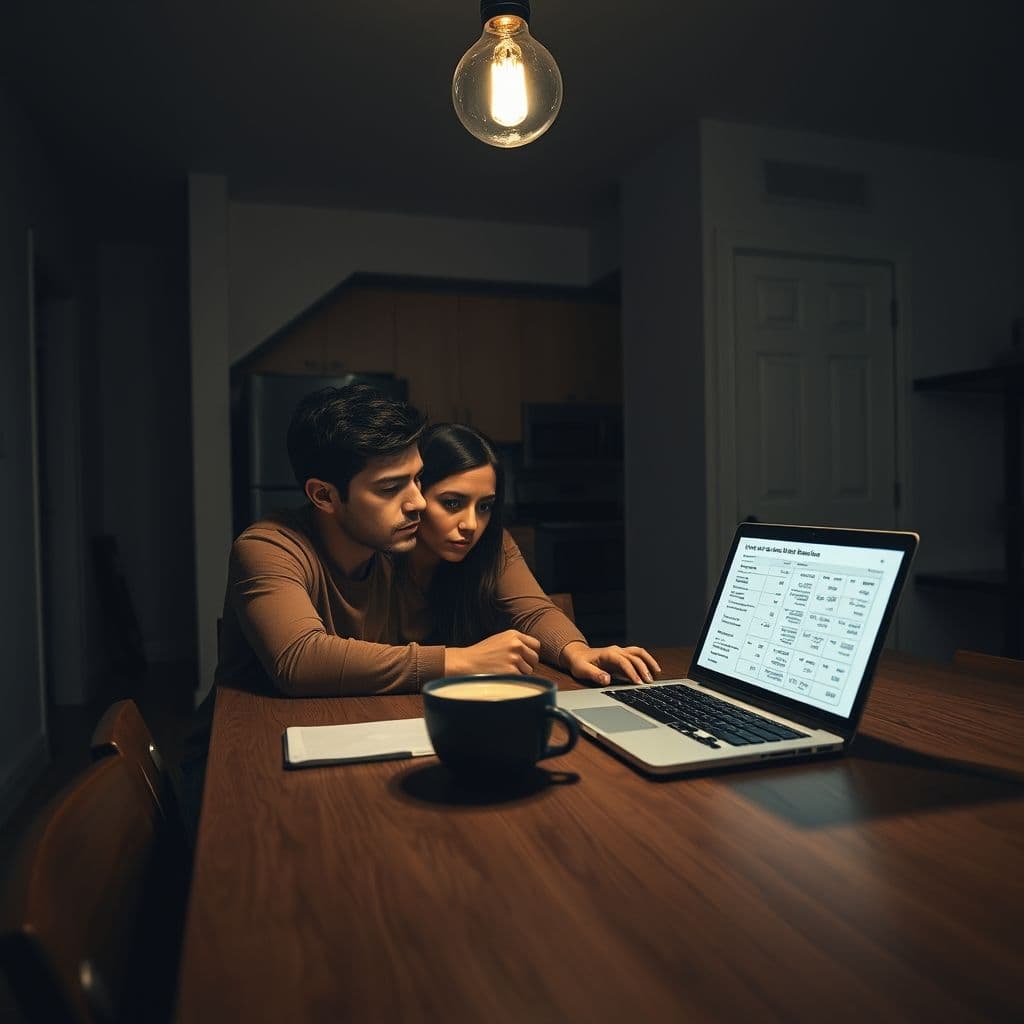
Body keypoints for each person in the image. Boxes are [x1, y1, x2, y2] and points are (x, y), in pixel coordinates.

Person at [215, 384, 544, 697]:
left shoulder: (390, 545)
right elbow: (299, 659)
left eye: (417, 479)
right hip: (247, 742)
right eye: (390, 488)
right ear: (324, 495)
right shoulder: (268, 547)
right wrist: (460, 661)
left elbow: (526, 601)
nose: (419, 503)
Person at [401, 422, 661, 686]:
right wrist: (461, 659)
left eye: (484, 506)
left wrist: (579, 652)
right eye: (452, 503)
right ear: (416, 495)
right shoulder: (378, 552)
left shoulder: (491, 543)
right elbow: (356, 657)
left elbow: (534, 611)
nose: (471, 524)